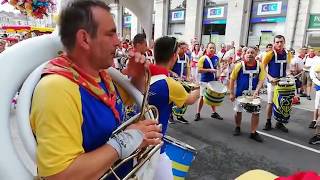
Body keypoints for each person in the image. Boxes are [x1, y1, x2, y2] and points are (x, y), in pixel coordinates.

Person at [30, 1, 162, 179]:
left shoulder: (101, 76)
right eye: (111, 34)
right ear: (84, 39)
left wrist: (136, 75)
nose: (118, 42)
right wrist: (129, 140)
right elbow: (60, 175)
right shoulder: (55, 89)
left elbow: (125, 103)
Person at [148, 36, 200, 180]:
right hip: (155, 148)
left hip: (135, 142)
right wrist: (197, 87)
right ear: (174, 56)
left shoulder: (143, 74)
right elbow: (191, 99)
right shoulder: (169, 84)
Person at [229, 47, 266, 142]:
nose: (250, 54)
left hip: (253, 94)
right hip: (240, 93)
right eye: (248, 52)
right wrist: (231, 93)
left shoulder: (260, 66)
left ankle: (253, 132)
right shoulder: (239, 65)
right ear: (245, 54)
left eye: (252, 53)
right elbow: (232, 79)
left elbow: (261, 80)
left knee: (256, 112)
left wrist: (257, 90)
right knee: (238, 111)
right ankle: (238, 127)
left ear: (256, 54)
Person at [262, 35, 292, 133]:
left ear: (284, 42)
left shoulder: (288, 54)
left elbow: (287, 68)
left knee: (282, 102)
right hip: (272, 82)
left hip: (283, 82)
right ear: (274, 43)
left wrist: (290, 75)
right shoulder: (270, 54)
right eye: (277, 42)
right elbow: (262, 67)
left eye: (281, 42)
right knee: (270, 102)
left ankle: (279, 122)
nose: (279, 44)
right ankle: (268, 121)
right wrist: (270, 78)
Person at [195, 42, 223, 121]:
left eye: (213, 48)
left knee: (213, 97)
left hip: (213, 81)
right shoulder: (203, 58)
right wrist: (209, 70)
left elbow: (218, 67)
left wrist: (218, 74)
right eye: (210, 48)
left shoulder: (216, 58)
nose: (211, 49)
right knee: (202, 96)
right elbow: (199, 70)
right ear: (206, 49)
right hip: (204, 81)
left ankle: (214, 113)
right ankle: (198, 113)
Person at [171, 41, 191, 123]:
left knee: (183, 98)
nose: (184, 50)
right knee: (172, 99)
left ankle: (180, 115)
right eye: (182, 48)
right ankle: (170, 116)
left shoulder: (186, 57)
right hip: (173, 80)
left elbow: (188, 68)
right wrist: (173, 73)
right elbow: (168, 68)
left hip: (182, 81)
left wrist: (188, 77)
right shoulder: (174, 57)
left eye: (185, 48)